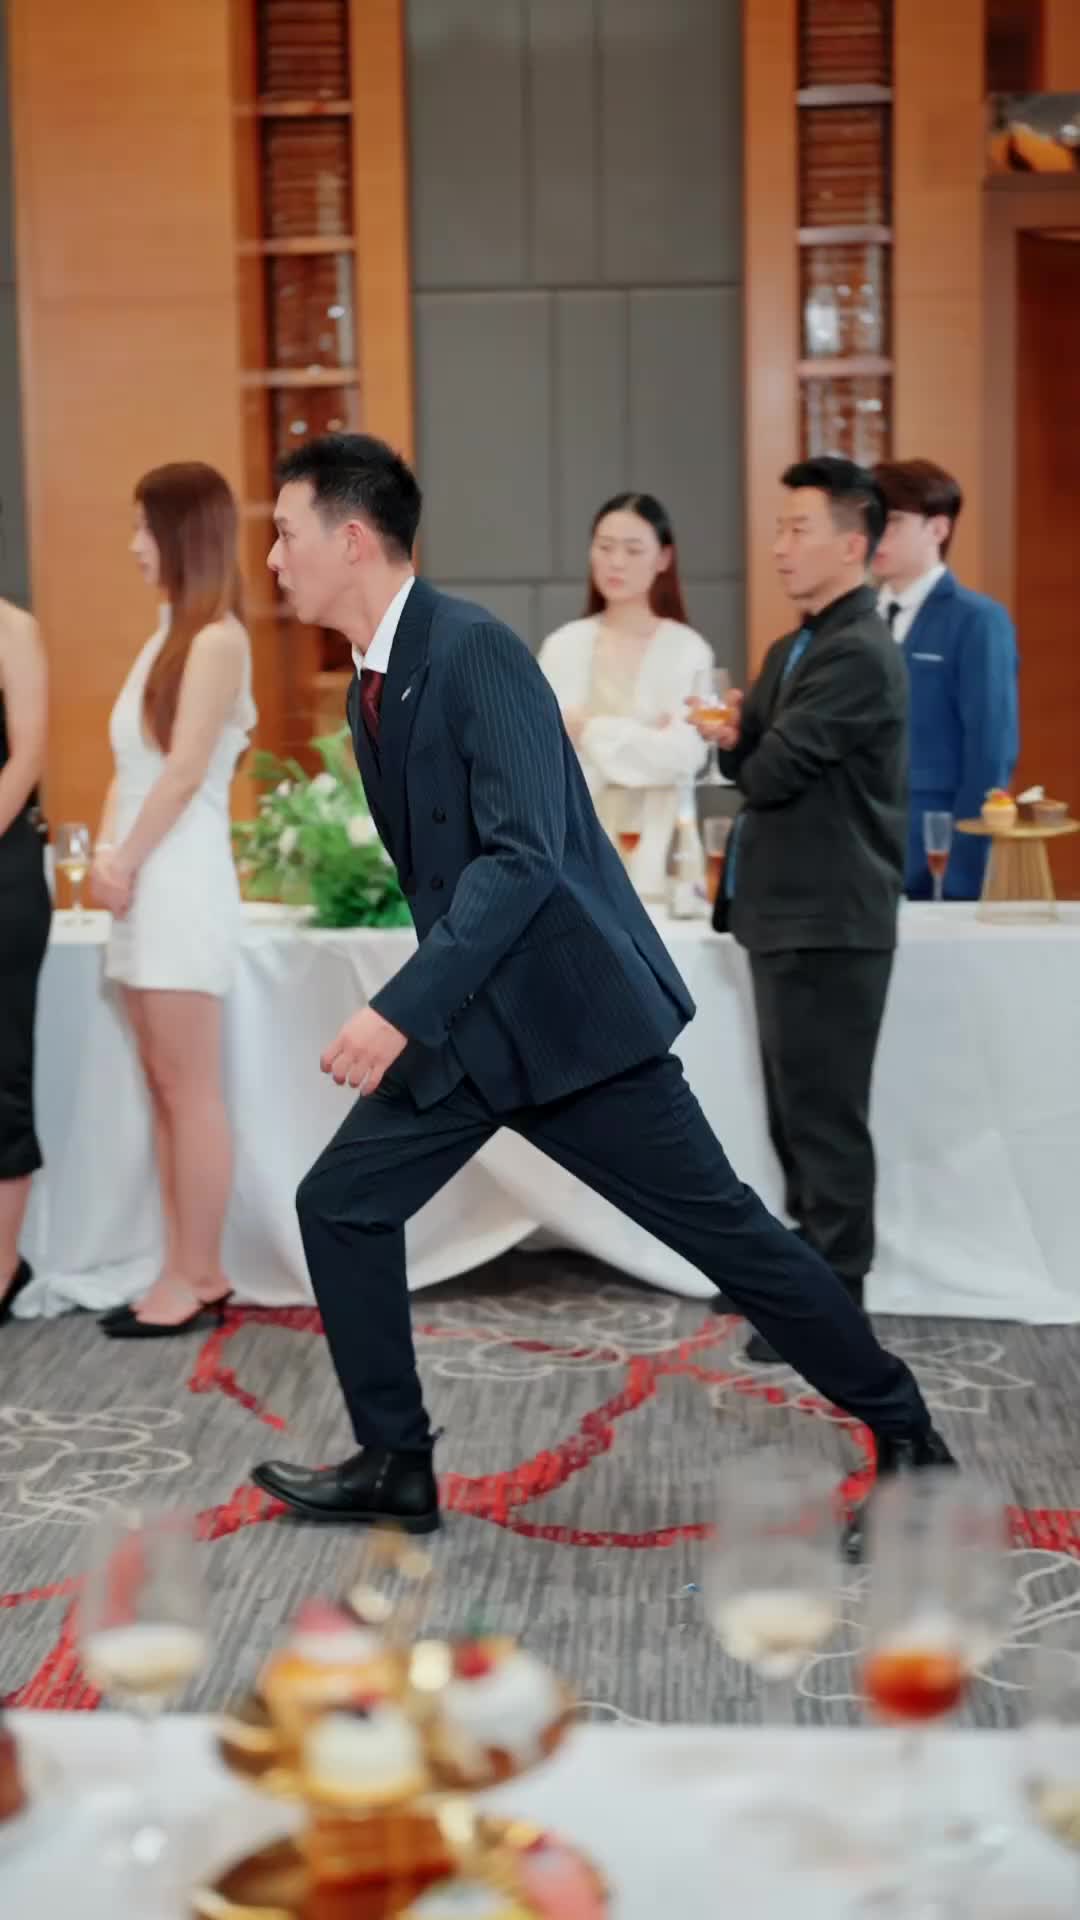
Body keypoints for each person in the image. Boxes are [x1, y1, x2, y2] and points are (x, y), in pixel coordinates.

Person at [250, 432, 953, 1561]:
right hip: (473, 1029)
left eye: (286, 534)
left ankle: (910, 1437)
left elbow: (524, 856)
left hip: (568, 1023)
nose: (274, 559)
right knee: (341, 1204)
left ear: (353, 538)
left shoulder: (474, 650)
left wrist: (398, 1008)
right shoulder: (373, 683)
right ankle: (395, 1460)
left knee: (732, 1239)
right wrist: (430, 1011)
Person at [694, 457, 905, 1368]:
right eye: (779, 528)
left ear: (852, 544)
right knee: (792, 1113)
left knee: (825, 1119)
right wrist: (737, 739)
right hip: (785, 914)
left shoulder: (859, 652)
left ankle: (836, 1304)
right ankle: (802, 1277)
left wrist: (748, 744)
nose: (779, 546)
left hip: (833, 917)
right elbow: (750, 760)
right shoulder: (795, 647)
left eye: (797, 529)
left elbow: (773, 770)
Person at [91, 463, 255, 1338]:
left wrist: (123, 861)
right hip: (142, 878)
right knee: (163, 1083)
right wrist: (108, 857)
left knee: (190, 1089)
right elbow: (132, 769)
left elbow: (186, 770)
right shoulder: (167, 635)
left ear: (183, 535)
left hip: (179, 879)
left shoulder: (218, 640)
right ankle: (187, 1266)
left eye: (144, 529)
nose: (133, 546)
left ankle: (197, 1275)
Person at [538, 494, 710, 897]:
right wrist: (642, 736)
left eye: (633, 550)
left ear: (663, 558)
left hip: (661, 855)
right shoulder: (562, 646)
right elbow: (546, 759)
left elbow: (683, 757)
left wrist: (589, 730)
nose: (616, 562)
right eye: (605, 547)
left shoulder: (687, 650)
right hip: (574, 852)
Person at [872, 458, 1019, 900]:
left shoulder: (978, 620)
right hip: (858, 855)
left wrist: (962, 871)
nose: (876, 534)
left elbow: (991, 753)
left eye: (892, 521)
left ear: (937, 528)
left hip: (932, 852)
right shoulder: (856, 620)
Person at [0, 599, 50, 1325]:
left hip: (3, 871)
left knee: (1, 1069)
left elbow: (28, 755)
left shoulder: (13, 630)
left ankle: (4, 1264)